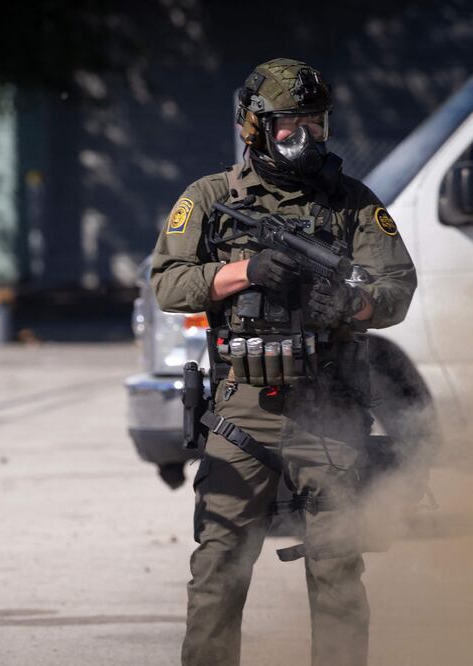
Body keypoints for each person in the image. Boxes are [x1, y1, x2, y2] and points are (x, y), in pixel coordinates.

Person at [150, 59, 417, 666]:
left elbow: (398, 287)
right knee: (219, 560)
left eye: (316, 122)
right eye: (291, 123)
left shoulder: (352, 203)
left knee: (338, 565)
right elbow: (169, 285)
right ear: (256, 127)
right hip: (244, 403)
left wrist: (356, 302)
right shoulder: (212, 199)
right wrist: (245, 271)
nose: (307, 136)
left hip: (330, 403)